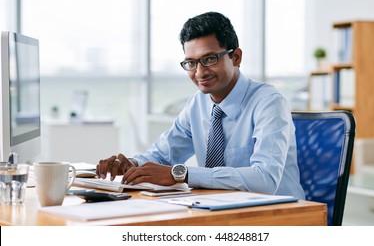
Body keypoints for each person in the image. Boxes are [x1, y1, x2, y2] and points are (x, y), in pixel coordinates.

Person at [96, 11, 305, 199]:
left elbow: (265, 179)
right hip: (217, 208)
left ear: (236, 57)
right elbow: (162, 155)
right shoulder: (198, 103)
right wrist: (132, 164)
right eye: (191, 62)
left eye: (210, 59)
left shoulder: (269, 102)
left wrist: (181, 174)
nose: (200, 72)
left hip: (278, 214)